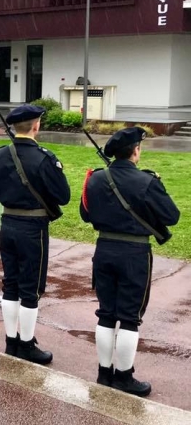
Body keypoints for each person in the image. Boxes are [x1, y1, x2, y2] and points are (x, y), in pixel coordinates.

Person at [80, 127, 179, 397]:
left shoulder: (96, 179)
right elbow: (172, 216)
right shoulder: (146, 181)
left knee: (106, 314)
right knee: (129, 318)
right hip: (134, 254)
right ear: (135, 150)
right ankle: (123, 377)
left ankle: (104, 372)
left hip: (104, 250)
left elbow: (85, 214)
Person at [0, 105, 70, 365]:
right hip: (32, 228)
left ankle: (11, 341)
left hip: (8, 223)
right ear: (36, 126)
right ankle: (26, 344)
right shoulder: (44, 157)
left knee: (10, 283)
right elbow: (63, 196)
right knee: (30, 287)